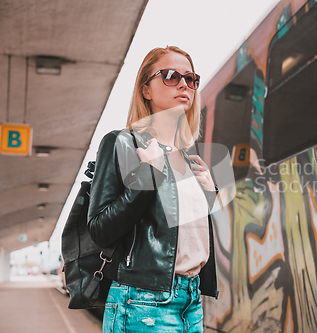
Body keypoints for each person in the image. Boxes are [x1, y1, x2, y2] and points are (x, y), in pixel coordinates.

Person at [87, 46, 219, 333]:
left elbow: (183, 235)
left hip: (191, 302)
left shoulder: (187, 158)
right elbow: (100, 229)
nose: (184, 84)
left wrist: (210, 193)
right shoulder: (122, 143)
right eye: (171, 76)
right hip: (142, 301)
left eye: (191, 78)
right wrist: (147, 175)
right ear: (146, 90)